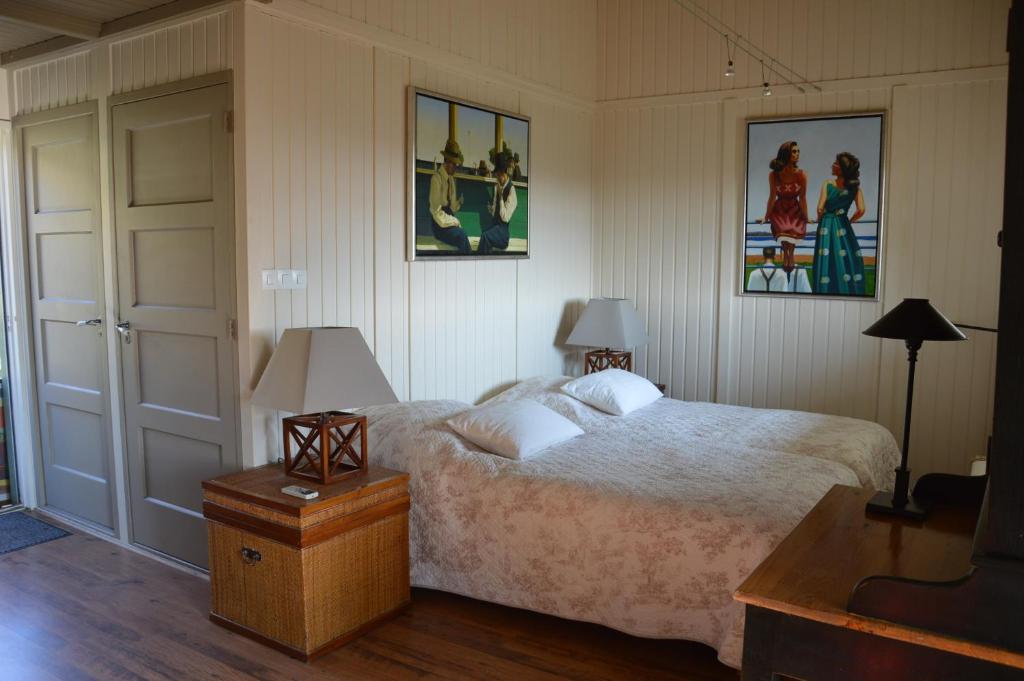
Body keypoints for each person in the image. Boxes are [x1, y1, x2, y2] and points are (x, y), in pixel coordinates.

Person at [812, 152, 867, 295]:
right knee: (846, 256)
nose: (833, 165)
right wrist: (850, 220)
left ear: (842, 169)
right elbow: (861, 210)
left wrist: (819, 219)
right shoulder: (855, 190)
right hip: (843, 224)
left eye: (836, 163)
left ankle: (825, 291)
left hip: (827, 224)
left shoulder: (828, 184)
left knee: (826, 259)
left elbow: (819, 208)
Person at [758, 141, 808, 273]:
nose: (797, 154)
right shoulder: (774, 175)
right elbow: (772, 196)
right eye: (794, 151)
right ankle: (787, 254)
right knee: (784, 227)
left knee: (793, 227)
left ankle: (790, 255)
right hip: (780, 208)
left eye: (798, 151)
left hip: (795, 208)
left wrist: (806, 217)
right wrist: (766, 217)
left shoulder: (802, 175)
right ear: (786, 154)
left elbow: (802, 198)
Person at [428, 139, 470, 253]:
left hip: (448, 221)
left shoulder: (451, 180)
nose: (456, 167)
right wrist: (454, 221)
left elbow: (451, 208)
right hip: (439, 225)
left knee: (463, 235)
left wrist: (458, 203)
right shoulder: (436, 179)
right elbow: (436, 212)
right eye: (455, 164)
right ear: (448, 162)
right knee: (462, 236)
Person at [478, 152, 517, 255]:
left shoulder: (511, 191)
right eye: (497, 175)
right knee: (484, 237)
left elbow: (505, 218)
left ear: (505, 173)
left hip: (503, 234)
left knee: (485, 237)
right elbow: (496, 211)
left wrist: (500, 198)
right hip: (495, 228)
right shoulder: (497, 186)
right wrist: (492, 209)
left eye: (500, 174)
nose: (498, 177)